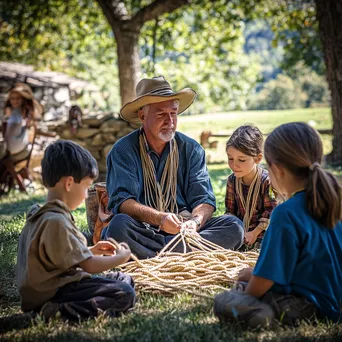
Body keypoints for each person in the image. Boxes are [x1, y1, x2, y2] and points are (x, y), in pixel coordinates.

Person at [214, 122, 342, 327]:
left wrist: (246, 292)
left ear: (277, 170)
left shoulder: (285, 213)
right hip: (334, 298)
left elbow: (264, 280)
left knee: (223, 300)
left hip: (307, 305)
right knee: (248, 278)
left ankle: (261, 315)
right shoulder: (332, 200)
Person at [103, 76, 244, 259]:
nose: (170, 120)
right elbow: (123, 202)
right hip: (145, 229)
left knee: (234, 226)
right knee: (118, 227)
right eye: (161, 114)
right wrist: (160, 219)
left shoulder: (191, 149)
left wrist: (195, 222)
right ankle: (188, 254)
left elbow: (204, 199)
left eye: (173, 113)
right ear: (142, 115)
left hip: (186, 231)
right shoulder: (123, 150)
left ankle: (155, 255)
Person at [16, 140, 136, 321]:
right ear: (70, 183)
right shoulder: (55, 221)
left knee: (121, 278)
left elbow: (59, 258)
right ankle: (55, 311)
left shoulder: (44, 215)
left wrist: (91, 251)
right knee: (124, 293)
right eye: (87, 187)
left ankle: (61, 306)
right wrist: (119, 258)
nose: (87, 195)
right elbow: (88, 265)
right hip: (56, 292)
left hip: (60, 285)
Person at [225, 125, 277, 248]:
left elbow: (271, 212)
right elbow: (230, 211)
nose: (234, 165)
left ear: (258, 158)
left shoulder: (267, 181)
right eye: (230, 158)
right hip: (241, 234)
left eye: (241, 160)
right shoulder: (232, 181)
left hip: (263, 234)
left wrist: (254, 233)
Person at [1, 83, 43, 162]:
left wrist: (6, 117)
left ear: (23, 99)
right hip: (23, 149)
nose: (15, 101)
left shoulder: (15, 114)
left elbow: (9, 140)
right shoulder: (24, 112)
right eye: (12, 98)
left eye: (18, 98)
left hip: (15, 151)